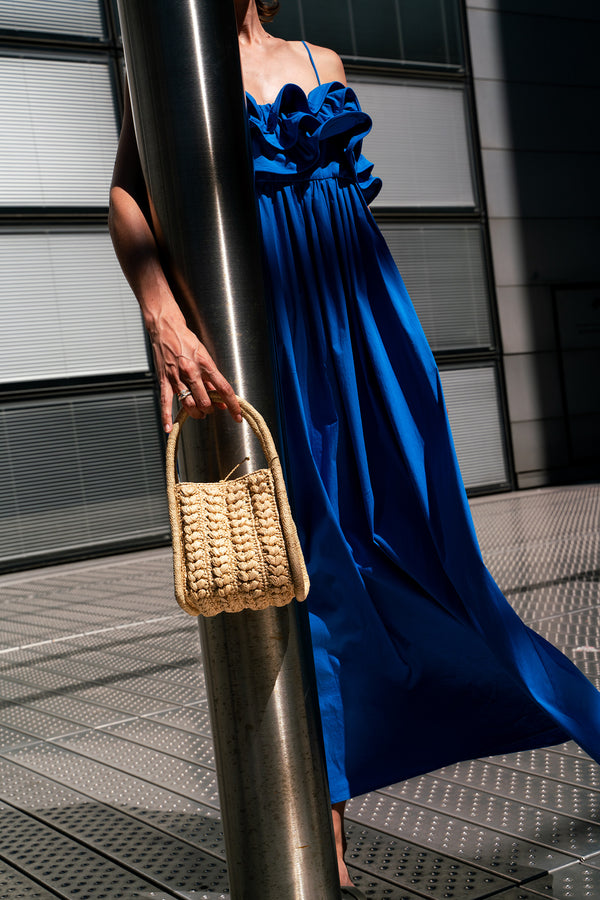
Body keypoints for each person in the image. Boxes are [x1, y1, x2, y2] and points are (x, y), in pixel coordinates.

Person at [109, 0, 600, 893]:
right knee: (314, 568)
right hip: (264, 335)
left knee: (424, 541)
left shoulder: (321, 59)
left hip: (365, 325)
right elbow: (125, 197)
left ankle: (542, 698)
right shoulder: (178, 69)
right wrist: (165, 320)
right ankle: (320, 843)